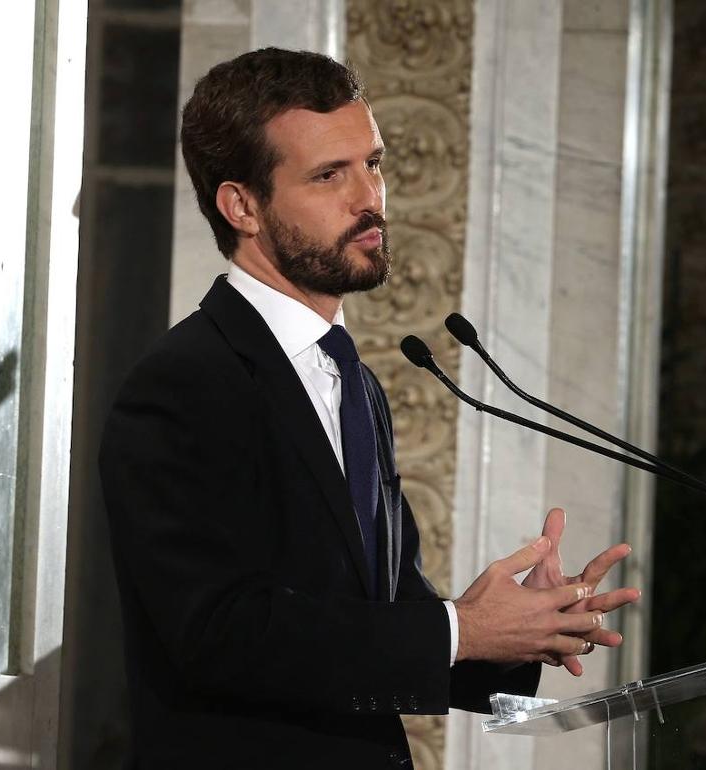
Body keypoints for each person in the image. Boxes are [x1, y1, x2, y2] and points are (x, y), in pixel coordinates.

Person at [98, 47, 639, 768]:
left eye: (373, 165)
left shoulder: (349, 379)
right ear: (241, 206)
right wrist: (458, 629)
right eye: (329, 175)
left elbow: (375, 621)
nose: (370, 199)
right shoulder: (182, 386)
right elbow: (217, 634)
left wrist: (519, 629)